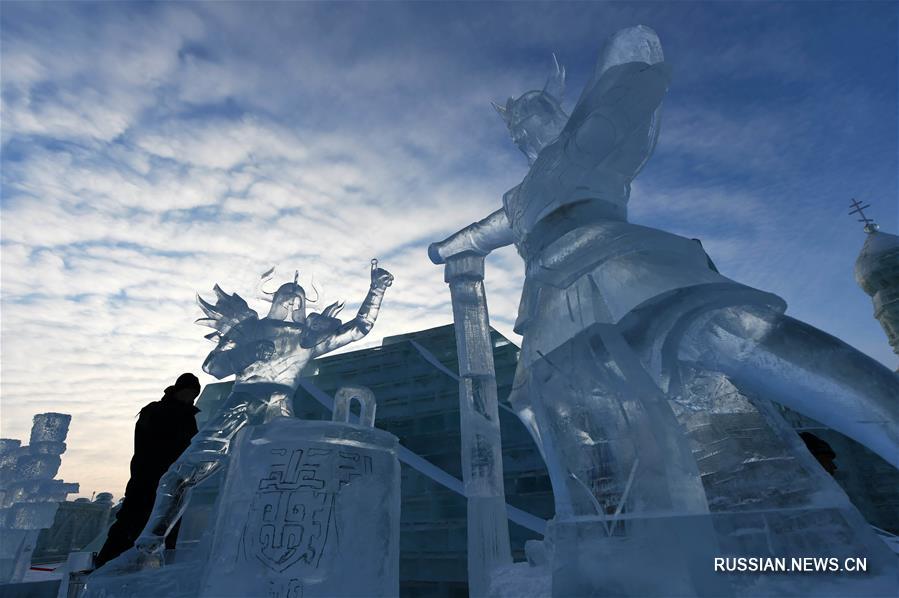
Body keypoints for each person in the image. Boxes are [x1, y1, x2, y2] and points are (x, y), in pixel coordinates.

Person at [94, 373, 201, 568]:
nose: (189, 398)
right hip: (146, 477)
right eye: (187, 392)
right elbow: (146, 444)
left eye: (193, 395)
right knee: (131, 521)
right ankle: (105, 564)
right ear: (178, 390)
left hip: (176, 482)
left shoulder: (189, 417)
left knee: (168, 526)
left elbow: (192, 448)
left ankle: (159, 567)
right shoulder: (155, 410)